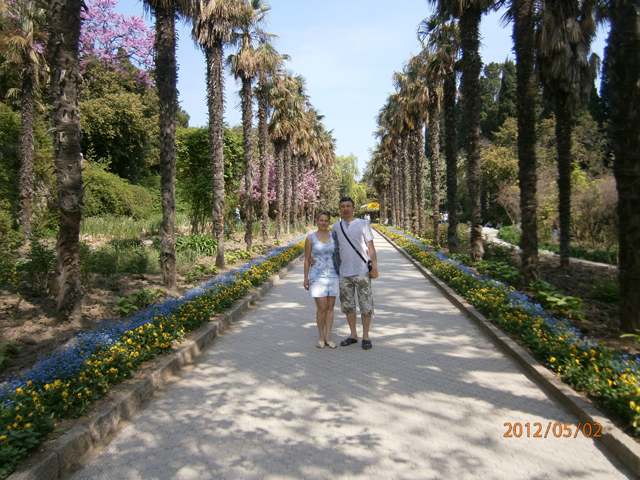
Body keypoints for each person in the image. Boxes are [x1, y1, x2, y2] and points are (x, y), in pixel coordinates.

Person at [332, 196, 379, 350]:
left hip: (362, 271)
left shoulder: (363, 224)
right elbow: (331, 248)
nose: (345, 209)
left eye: (348, 206)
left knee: (366, 305)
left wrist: (374, 268)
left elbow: (371, 247)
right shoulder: (336, 227)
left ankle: (366, 336)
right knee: (348, 306)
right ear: (340, 208)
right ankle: (353, 334)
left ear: (353, 207)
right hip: (344, 273)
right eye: (343, 206)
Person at [303, 210, 339, 349]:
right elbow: (307, 260)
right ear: (317, 221)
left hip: (333, 275)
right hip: (317, 276)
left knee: (330, 308)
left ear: (329, 222)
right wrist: (306, 278)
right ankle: (321, 337)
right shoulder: (310, 238)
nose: (324, 223)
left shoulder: (334, 236)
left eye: (326, 220)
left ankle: (328, 337)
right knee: (322, 308)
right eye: (321, 220)